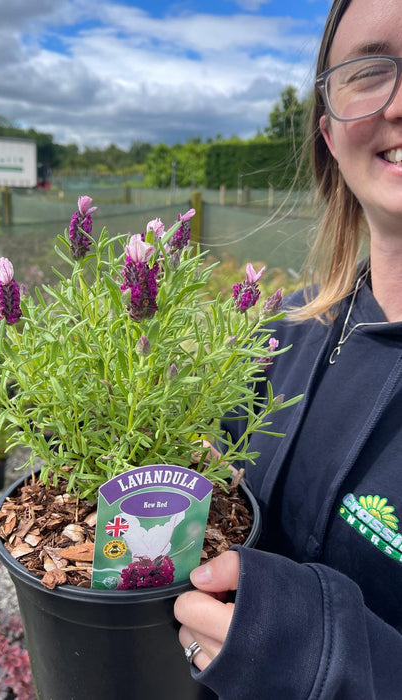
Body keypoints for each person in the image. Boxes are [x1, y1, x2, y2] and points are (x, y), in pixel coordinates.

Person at [174, 0, 402, 697]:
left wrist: (336, 663)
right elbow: (228, 496)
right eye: (371, 68)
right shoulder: (283, 328)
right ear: (329, 133)